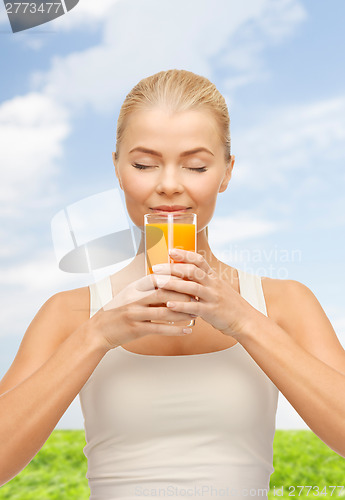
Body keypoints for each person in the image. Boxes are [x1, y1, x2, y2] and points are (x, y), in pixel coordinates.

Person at [0, 69, 344, 499]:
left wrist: (243, 320)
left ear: (226, 172)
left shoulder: (285, 302)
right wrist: (98, 333)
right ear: (118, 169)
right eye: (144, 164)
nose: (168, 184)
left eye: (196, 165)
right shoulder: (68, 313)